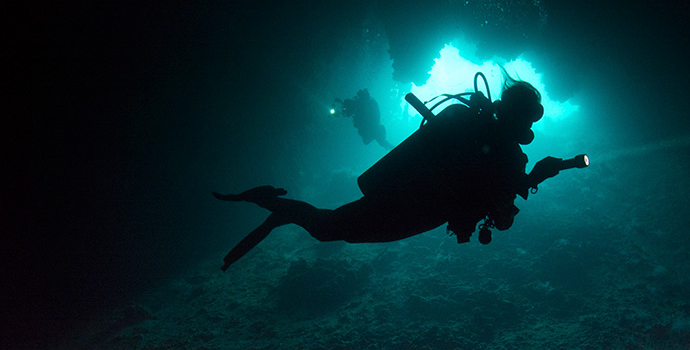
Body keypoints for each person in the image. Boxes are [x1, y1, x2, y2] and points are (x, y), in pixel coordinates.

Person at [214, 72, 587, 271]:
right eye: (530, 117)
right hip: (414, 207)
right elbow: (501, 213)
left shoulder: (476, 128)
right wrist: (535, 176)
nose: (529, 126)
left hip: (410, 199)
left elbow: (490, 194)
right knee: (328, 229)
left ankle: (275, 208)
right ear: (518, 115)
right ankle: (273, 206)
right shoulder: (507, 155)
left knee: (330, 227)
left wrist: (533, 176)